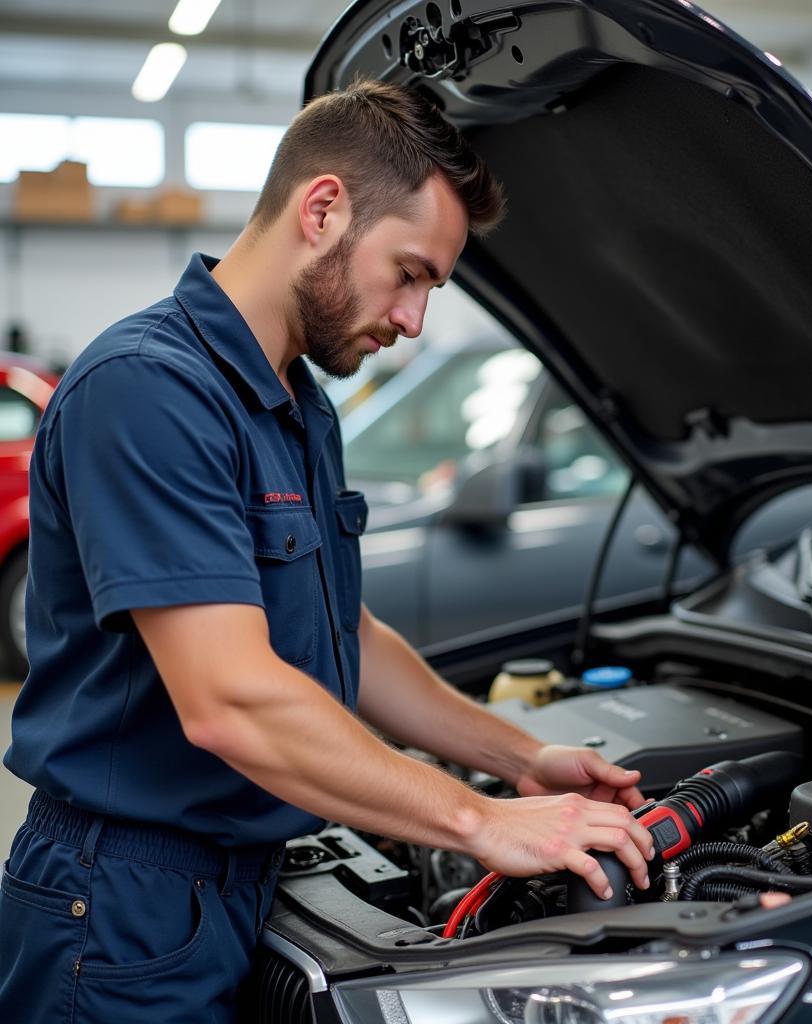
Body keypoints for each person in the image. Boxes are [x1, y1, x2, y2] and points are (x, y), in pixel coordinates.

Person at [0, 80, 654, 1023]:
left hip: (238, 882)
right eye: (412, 272)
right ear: (323, 209)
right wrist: (482, 823)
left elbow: (348, 638)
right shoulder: (147, 389)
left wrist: (518, 759)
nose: (416, 318)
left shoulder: (297, 401)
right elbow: (232, 702)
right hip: (120, 904)